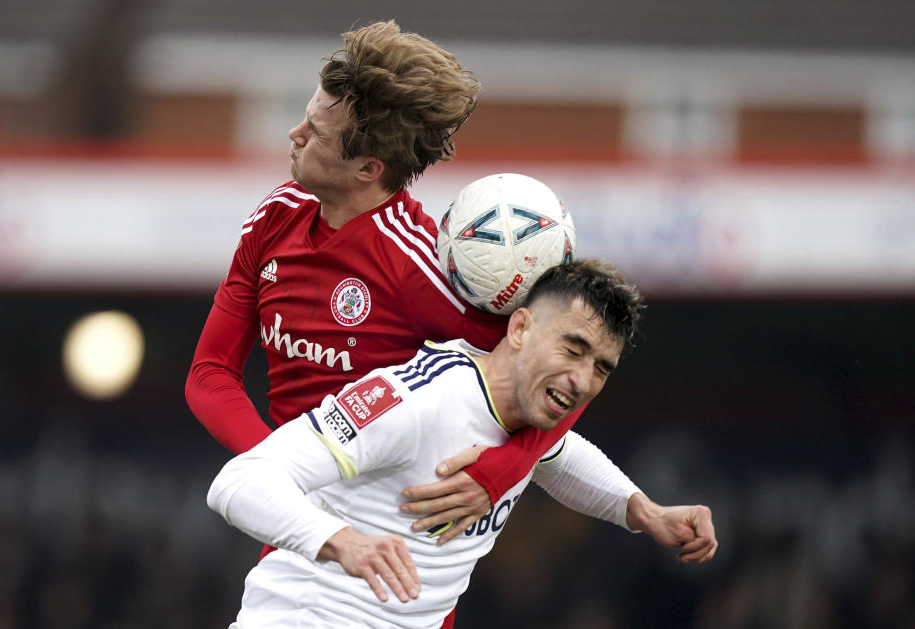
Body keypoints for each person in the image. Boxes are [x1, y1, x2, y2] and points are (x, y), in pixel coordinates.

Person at [185, 17, 588, 575]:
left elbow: (567, 369)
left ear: (368, 169)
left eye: (315, 133)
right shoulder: (274, 217)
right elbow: (209, 373)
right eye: (304, 119)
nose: (294, 136)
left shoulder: (420, 267)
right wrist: (280, 477)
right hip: (305, 534)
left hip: (396, 552)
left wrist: (498, 473)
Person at [207, 260, 718, 628]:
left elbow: (562, 458)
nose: (582, 380)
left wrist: (644, 511)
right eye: (573, 349)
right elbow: (240, 480)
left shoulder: (528, 422)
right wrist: (345, 542)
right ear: (519, 328)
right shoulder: (416, 398)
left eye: (600, 368)